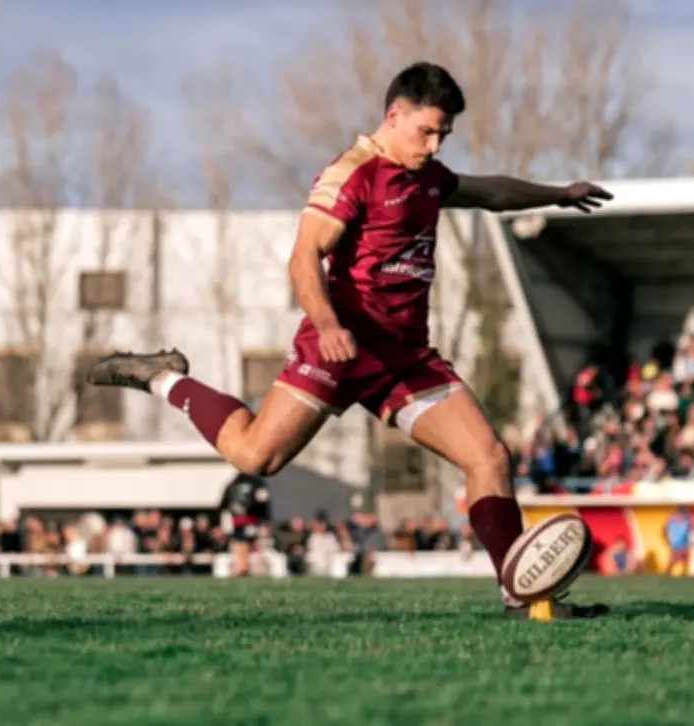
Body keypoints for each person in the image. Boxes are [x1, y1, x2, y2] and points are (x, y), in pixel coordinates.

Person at [87, 61, 613, 619]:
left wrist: (559, 193)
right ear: (395, 114)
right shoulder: (351, 173)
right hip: (337, 349)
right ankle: (164, 375)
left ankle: (524, 598)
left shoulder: (427, 176)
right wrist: (330, 324)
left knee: (488, 457)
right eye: (427, 131)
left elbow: (491, 191)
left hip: (406, 357)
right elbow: (303, 256)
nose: (434, 145)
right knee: (255, 456)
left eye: (444, 135)